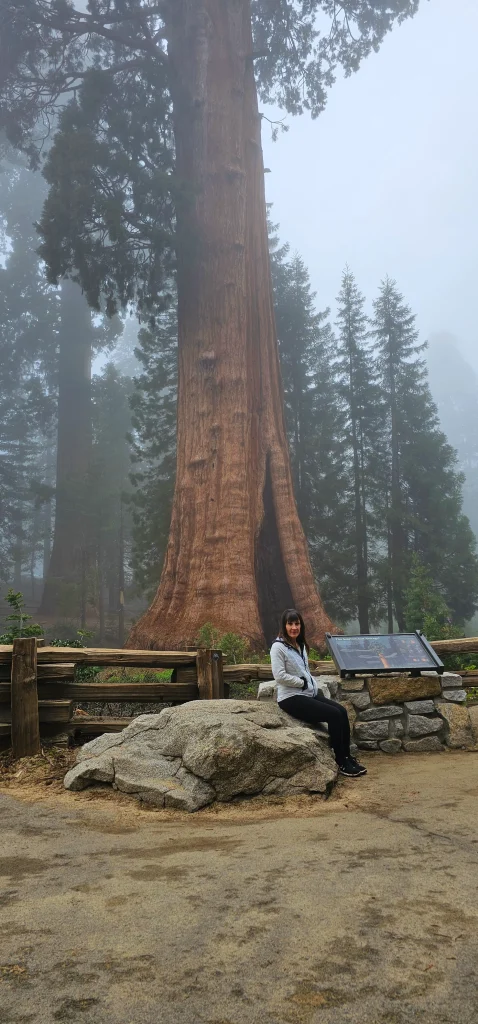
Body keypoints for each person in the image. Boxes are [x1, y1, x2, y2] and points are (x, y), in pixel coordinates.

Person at [270, 609, 367, 778]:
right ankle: (341, 762)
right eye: (290, 624)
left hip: (307, 694)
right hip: (290, 698)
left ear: (301, 625)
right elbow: (279, 676)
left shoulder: (299, 645)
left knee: (342, 711)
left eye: (297, 623)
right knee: (333, 715)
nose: (294, 627)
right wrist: (302, 683)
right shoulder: (278, 647)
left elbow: (304, 670)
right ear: (284, 626)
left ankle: (347, 756)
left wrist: (309, 685)